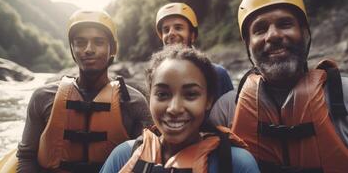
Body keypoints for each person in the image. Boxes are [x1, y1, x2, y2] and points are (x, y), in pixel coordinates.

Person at [229, 0, 348, 172]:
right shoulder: (225, 109)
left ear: (304, 33)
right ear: (248, 46)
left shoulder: (344, 95)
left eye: (285, 24)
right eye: (260, 29)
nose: (273, 36)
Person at [16, 9, 152, 172]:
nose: (89, 49)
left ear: (113, 49)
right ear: (72, 49)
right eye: (80, 42)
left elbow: (148, 158)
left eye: (99, 42)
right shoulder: (42, 98)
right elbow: (26, 157)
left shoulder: (134, 103)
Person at [100, 45, 260, 173]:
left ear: (208, 101)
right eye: (162, 94)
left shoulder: (237, 164)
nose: (174, 108)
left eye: (190, 94)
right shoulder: (123, 156)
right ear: (150, 98)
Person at [155, 2, 234, 100]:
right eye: (166, 30)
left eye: (178, 28)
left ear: (192, 35)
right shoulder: (156, 78)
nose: (170, 33)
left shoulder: (218, 75)